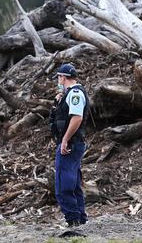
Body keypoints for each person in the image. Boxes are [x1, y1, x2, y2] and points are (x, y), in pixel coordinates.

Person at [50, 63, 89, 227]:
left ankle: (73, 219)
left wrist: (65, 139)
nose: (58, 80)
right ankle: (79, 217)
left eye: (59, 77)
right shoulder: (68, 94)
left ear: (63, 77)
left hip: (70, 144)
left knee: (63, 184)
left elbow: (77, 118)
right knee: (73, 183)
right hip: (72, 143)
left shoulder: (75, 93)